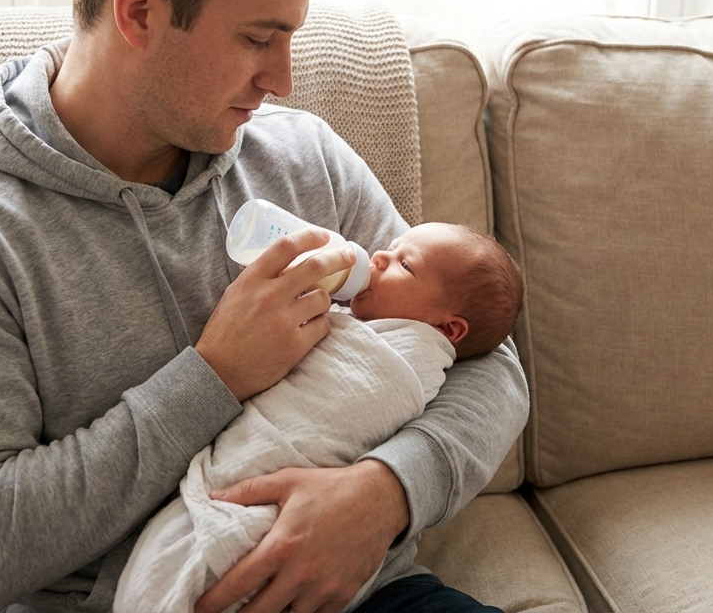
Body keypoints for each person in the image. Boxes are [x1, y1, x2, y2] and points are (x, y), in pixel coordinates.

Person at [0, 0, 529, 611]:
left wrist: (385, 493)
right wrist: (212, 376)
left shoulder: (302, 154)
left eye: (289, 37)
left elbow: (485, 362)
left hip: (364, 594)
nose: (281, 78)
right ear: (140, 11)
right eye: (257, 38)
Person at [115, 223, 524, 613]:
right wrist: (218, 373)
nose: (379, 254)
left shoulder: (412, 348)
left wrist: (385, 492)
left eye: (404, 263)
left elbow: (494, 358)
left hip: (374, 580)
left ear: (446, 329)